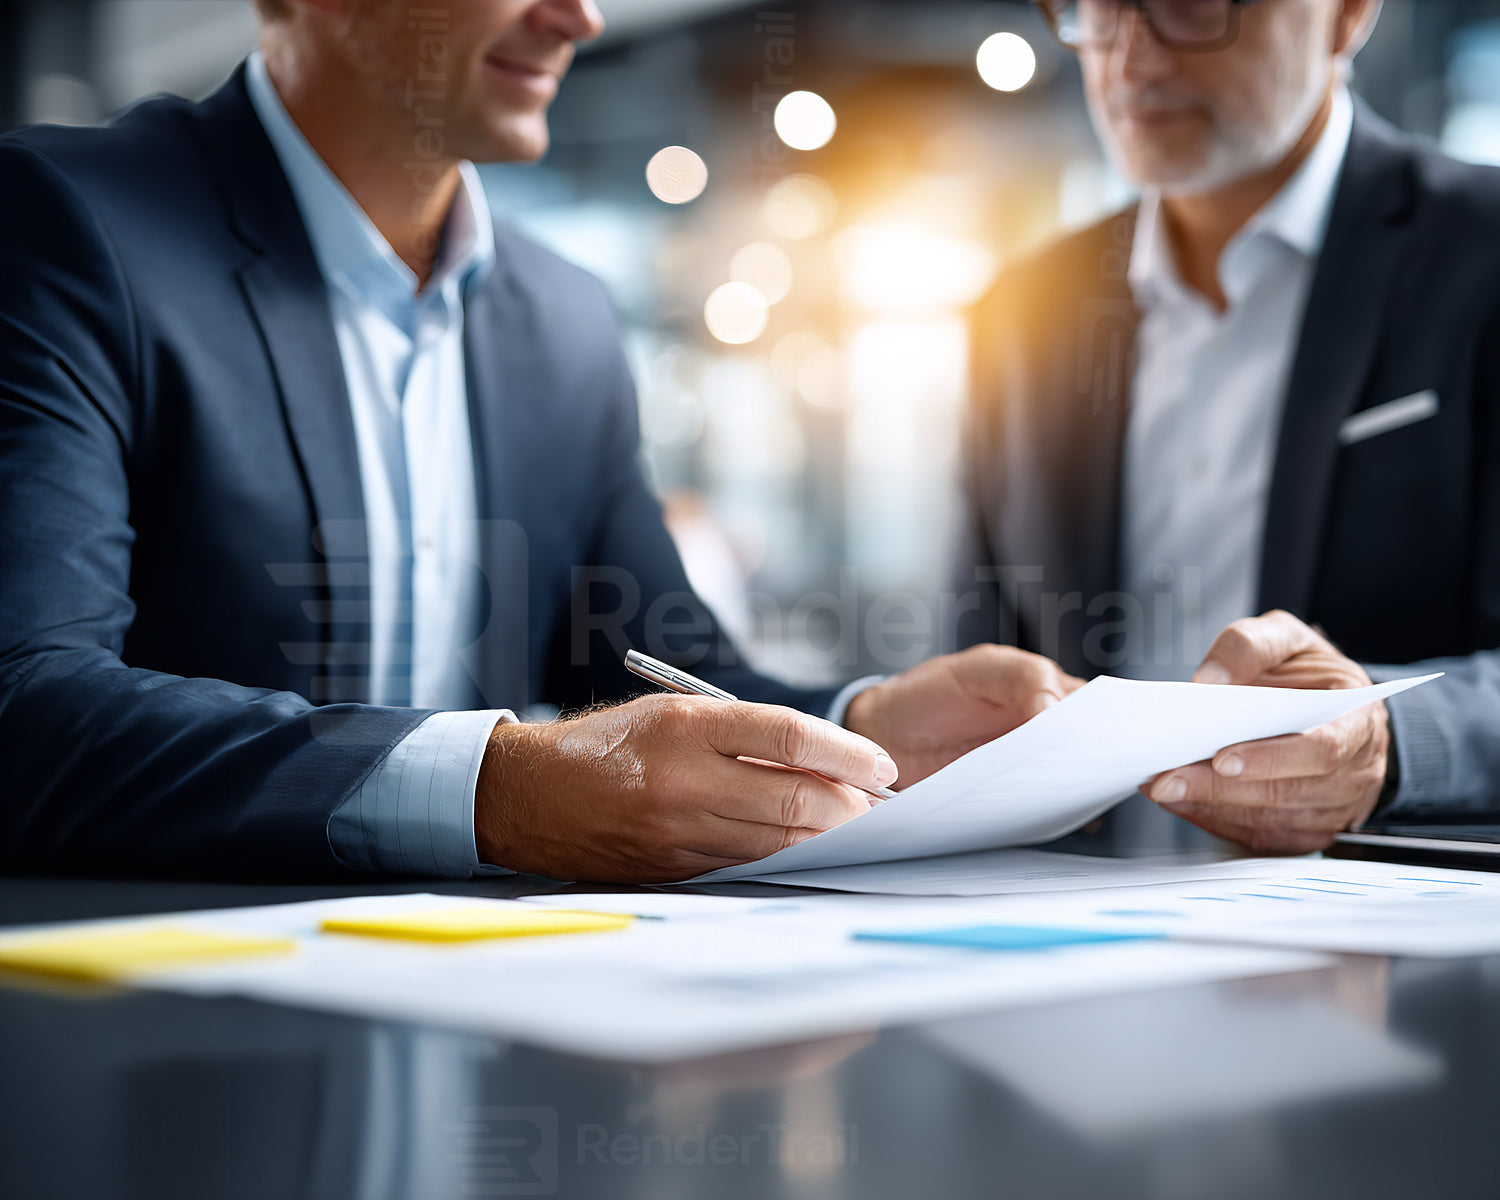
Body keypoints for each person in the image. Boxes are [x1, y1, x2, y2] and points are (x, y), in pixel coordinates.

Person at [0, 0, 1076, 882]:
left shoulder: (563, 314)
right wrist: (503, 788)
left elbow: (665, 666)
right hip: (153, 1034)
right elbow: (29, 708)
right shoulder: (67, 224)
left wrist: (871, 724)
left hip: (487, 1010)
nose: (580, 18)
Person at [958, 0, 1500, 854]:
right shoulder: (1021, 314)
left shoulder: (1481, 252)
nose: (1130, 59)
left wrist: (1394, 742)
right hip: (1065, 932)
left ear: (1348, 16)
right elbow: (979, 665)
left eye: (1191, 7)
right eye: (1098, 10)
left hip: (1390, 945)